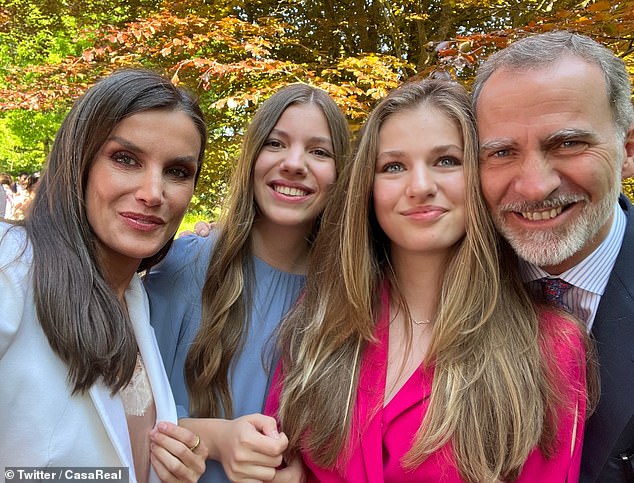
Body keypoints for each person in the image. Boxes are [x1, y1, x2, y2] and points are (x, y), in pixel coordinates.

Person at [266, 79, 590, 482]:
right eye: (394, 167)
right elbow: (277, 458)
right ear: (368, 188)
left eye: (447, 161)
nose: (420, 187)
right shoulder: (321, 320)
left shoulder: (551, 347)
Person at [0, 69, 209, 482]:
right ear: (79, 160)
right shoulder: (11, 263)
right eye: (125, 159)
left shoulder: (134, 296)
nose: (153, 192)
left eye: (177, 172)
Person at [144, 83, 351, 482]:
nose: (294, 163)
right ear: (253, 157)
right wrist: (218, 439)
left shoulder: (351, 295)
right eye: (276, 143)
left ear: (341, 172)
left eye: (319, 151)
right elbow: (128, 412)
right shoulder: (185, 266)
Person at [472, 30, 634, 482]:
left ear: (627, 150)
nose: (534, 186)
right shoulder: (441, 286)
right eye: (502, 152)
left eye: (567, 143)